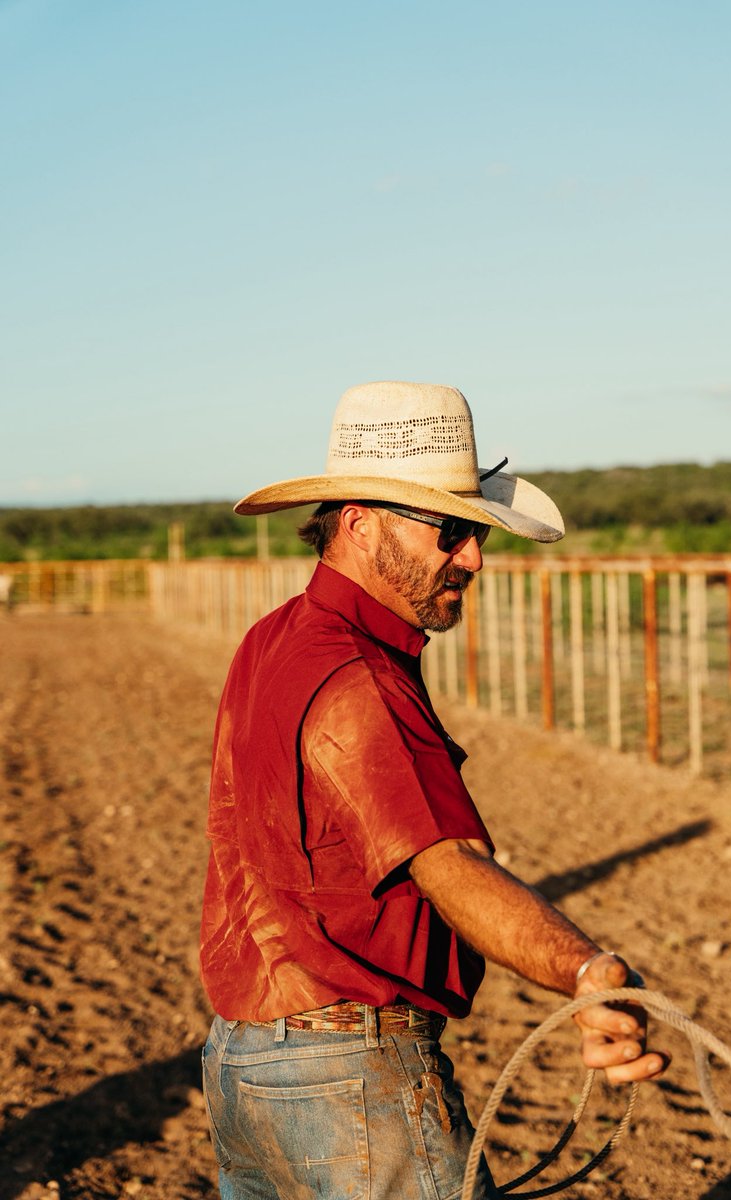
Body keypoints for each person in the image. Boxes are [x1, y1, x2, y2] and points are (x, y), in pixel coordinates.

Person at [199, 380, 668, 1200]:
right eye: (449, 531)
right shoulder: (359, 679)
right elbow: (446, 865)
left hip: (246, 1064)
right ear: (359, 524)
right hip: (349, 1078)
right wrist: (585, 971)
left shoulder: (272, 639)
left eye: (478, 533)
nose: (475, 559)